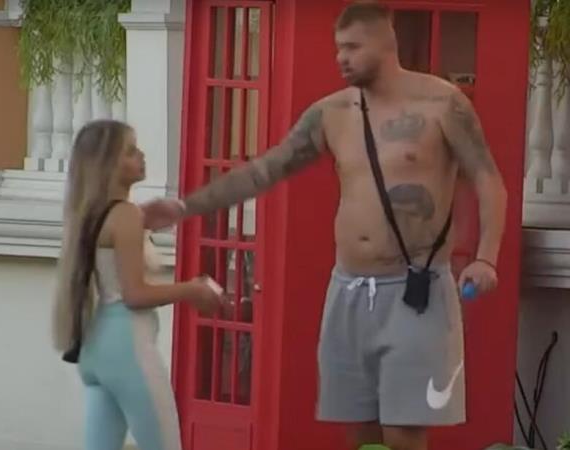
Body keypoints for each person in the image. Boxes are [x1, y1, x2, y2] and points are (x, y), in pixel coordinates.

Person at [140, 2, 507, 450]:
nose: (341, 58)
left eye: (352, 47)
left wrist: (486, 257)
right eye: (338, 48)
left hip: (416, 287)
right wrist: (184, 207)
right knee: (358, 430)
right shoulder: (331, 112)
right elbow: (266, 169)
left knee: (404, 431)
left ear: (385, 43)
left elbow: (488, 179)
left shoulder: (442, 103)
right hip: (348, 287)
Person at [52, 119, 222, 450]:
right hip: (127, 348)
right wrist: (192, 288)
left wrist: (144, 219)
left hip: (95, 345)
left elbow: (110, 251)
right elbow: (134, 294)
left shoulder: (88, 213)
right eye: (130, 151)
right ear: (108, 165)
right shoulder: (126, 215)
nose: (141, 155)